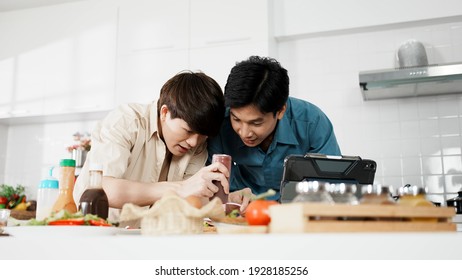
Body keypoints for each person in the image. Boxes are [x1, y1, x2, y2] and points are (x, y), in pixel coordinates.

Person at [73, 71, 233, 222]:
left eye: (203, 135)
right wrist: (180, 188)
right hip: (93, 230)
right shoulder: (126, 121)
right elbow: (102, 189)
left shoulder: (197, 145)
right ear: (165, 112)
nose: (193, 142)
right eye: (188, 131)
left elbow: (187, 202)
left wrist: (226, 200)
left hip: (145, 236)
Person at [207, 56, 341, 201]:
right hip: (242, 207)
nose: (245, 133)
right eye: (236, 119)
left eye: (256, 123)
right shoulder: (221, 124)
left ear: (281, 110)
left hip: (297, 207)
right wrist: (230, 198)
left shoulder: (312, 123)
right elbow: (215, 182)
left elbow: (331, 183)